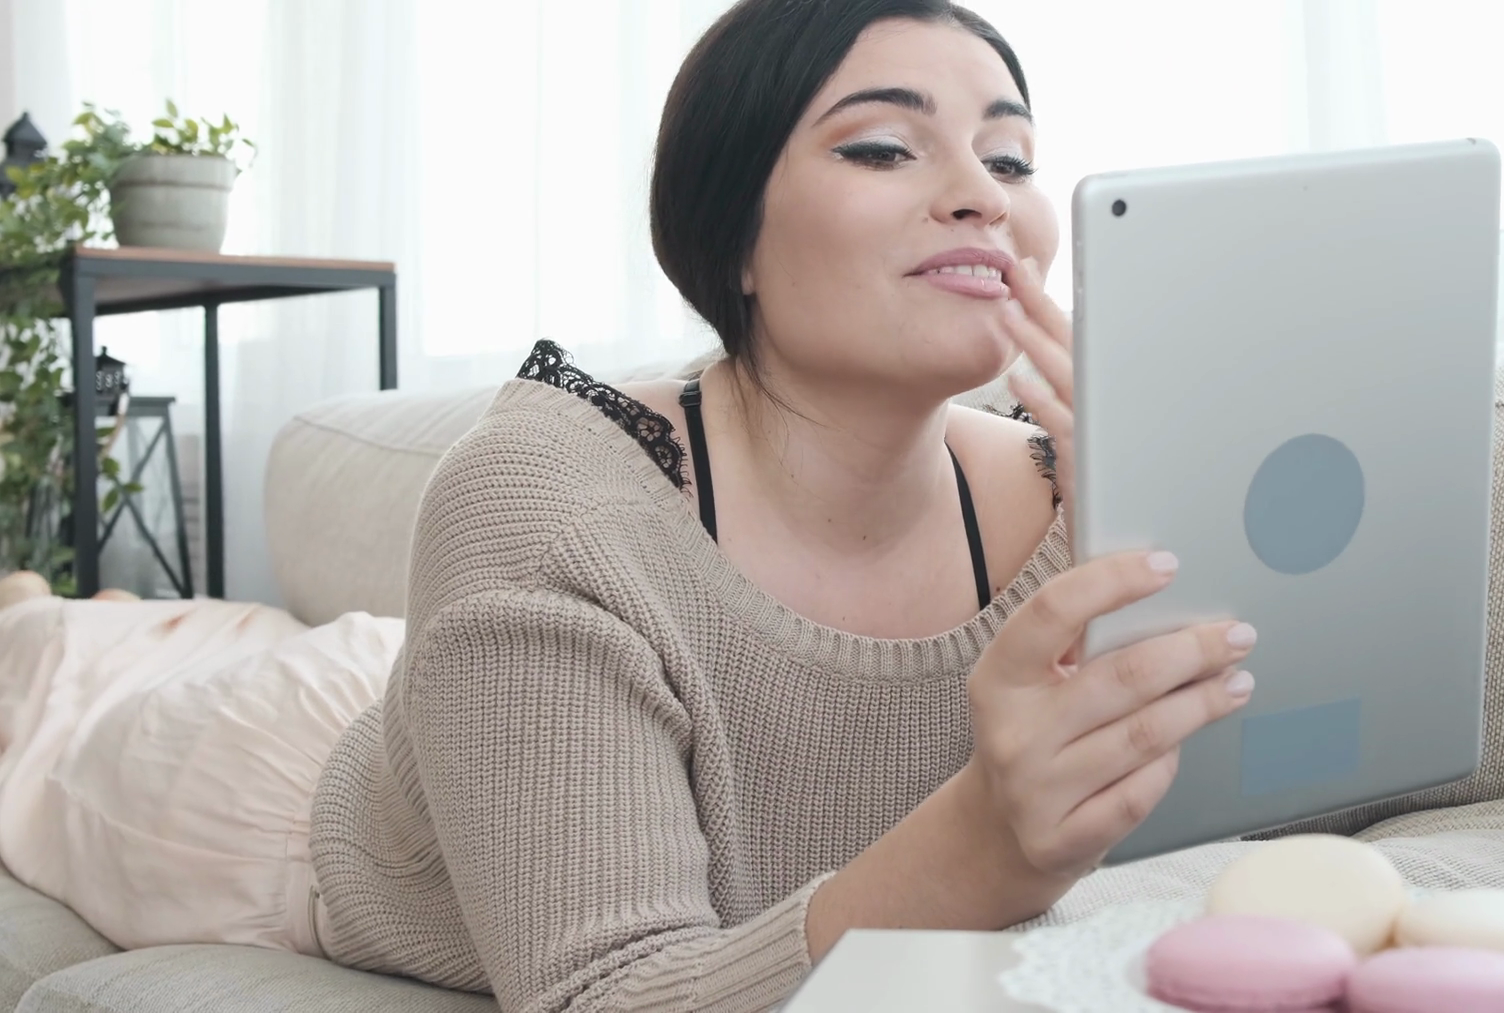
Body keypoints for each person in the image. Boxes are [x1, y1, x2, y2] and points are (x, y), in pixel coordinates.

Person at [0, 2, 1257, 1011]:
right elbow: (603, 987)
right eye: (883, 145)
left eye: (1011, 156)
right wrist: (985, 844)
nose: (983, 192)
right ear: (733, 237)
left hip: (462, 675)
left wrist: (1166, 518)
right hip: (256, 787)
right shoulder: (544, 501)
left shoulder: (1083, 490)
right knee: (48, 682)